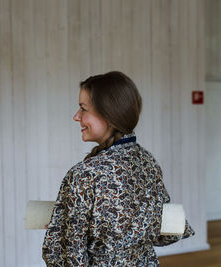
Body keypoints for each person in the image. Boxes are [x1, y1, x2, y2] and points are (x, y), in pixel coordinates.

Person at [42, 71, 194, 266]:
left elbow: (68, 256)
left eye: (83, 109)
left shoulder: (84, 174)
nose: (76, 116)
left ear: (109, 115)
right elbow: (166, 231)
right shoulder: (147, 161)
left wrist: (60, 228)